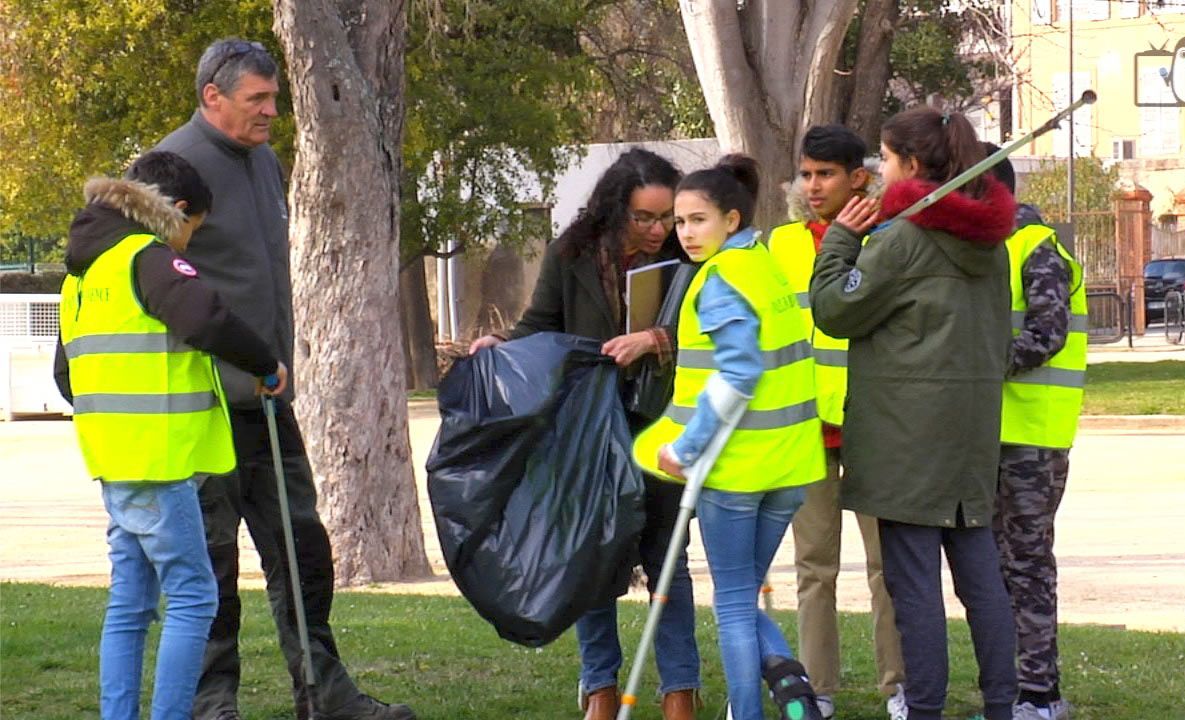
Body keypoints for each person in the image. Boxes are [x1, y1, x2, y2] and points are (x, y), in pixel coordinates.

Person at [154, 38, 414, 720]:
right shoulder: (171, 167)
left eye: (275, 98)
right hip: (203, 408)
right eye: (258, 99)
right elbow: (141, 281)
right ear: (213, 96)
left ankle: (324, 693)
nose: (273, 111)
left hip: (271, 404)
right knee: (212, 565)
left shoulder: (266, 161)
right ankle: (212, 702)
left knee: (303, 551)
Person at [469, 147, 702, 720]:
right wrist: (502, 345)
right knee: (590, 554)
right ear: (615, 209)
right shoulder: (571, 254)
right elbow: (540, 324)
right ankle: (599, 685)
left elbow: (709, 330)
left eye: (666, 216)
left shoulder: (690, 254)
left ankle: (680, 689)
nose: (658, 229)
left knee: (667, 556)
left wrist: (657, 339)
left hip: (662, 425)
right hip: (588, 428)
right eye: (644, 217)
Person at [54, 151, 285, 720]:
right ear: (177, 210)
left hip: (114, 462)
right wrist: (265, 364)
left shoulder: (82, 277)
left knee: (130, 604)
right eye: (192, 231)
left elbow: (66, 376)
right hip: (160, 463)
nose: (189, 245)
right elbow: (208, 319)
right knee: (194, 598)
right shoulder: (148, 258)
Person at [809, 107, 1019, 720]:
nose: (880, 170)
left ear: (912, 163)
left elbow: (835, 309)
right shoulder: (992, 247)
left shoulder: (902, 240)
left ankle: (924, 707)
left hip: (907, 442)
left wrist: (842, 239)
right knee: (981, 581)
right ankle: (1002, 705)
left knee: (914, 586)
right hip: (969, 435)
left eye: (885, 158)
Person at [633, 154, 827, 720]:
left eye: (699, 220)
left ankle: (751, 710)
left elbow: (739, 373)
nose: (686, 233)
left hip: (739, 469)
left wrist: (684, 448)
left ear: (732, 220)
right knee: (744, 594)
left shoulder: (719, 280)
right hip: (790, 466)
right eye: (680, 221)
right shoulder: (765, 266)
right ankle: (795, 693)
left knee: (736, 605)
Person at [768, 125, 907, 720]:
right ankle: (817, 690)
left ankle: (900, 688)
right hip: (806, 427)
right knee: (813, 567)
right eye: (806, 174)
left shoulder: (891, 236)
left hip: (875, 425)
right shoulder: (781, 244)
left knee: (889, 568)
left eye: (825, 174)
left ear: (859, 178)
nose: (813, 185)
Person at [985, 145, 1086, 720]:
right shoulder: (993, 248)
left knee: (1026, 566)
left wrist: (974, 363)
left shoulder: (1035, 247)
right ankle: (1009, 691)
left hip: (1032, 438)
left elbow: (1045, 335)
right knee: (994, 568)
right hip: (994, 433)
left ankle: (1040, 694)